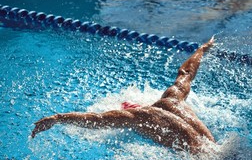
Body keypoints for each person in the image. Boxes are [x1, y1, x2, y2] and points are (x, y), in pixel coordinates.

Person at [31, 37, 216, 154]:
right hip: (221, 152)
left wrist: (58, 118)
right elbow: (185, 73)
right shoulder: (173, 98)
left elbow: (97, 119)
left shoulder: (139, 117)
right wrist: (202, 49)